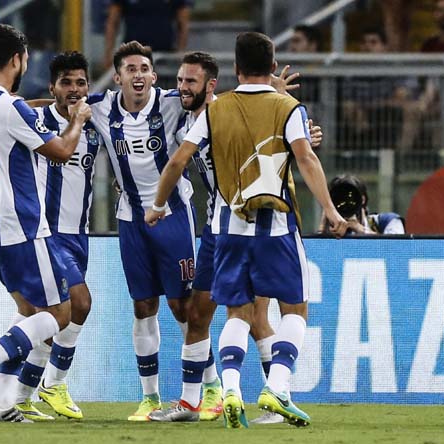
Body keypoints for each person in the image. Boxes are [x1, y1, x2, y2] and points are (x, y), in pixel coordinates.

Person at [145, 32, 347, 428]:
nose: (183, 88)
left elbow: (176, 162)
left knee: (239, 313)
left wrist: (155, 206)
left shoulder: (214, 112)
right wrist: (331, 210)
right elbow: (304, 157)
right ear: (272, 67)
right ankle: (272, 390)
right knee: (287, 309)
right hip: (273, 226)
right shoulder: (288, 108)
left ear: (232, 70)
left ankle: (233, 389)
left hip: (226, 227)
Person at [0, 24, 92, 422]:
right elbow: (61, 151)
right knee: (59, 314)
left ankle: (2, 404)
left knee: (28, 313)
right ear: (17, 59)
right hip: (23, 224)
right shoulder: (11, 108)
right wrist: (77, 120)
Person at [87, 40, 198, 421]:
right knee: (143, 306)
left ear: (154, 75)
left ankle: (208, 389)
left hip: (174, 215)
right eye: (130, 69)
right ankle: (150, 398)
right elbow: (54, 107)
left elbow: (213, 106)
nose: (138, 75)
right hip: (130, 219)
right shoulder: (101, 107)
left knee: (183, 306)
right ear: (117, 77)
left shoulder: (171, 103)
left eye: (144, 69)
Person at [0, 51, 100, 422]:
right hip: (45, 233)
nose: (74, 89)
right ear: (52, 87)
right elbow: (13, 104)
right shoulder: (36, 119)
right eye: (65, 82)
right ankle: (54, 383)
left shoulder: (95, 122)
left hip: (78, 234)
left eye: (80, 83)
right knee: (78, 304)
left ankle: (16, 397)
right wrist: (50, 104)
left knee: (45, 317)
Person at [103, 0, 192, 69]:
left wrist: (180, 52)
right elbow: (112, 23)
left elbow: (183, 24)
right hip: (133, 54)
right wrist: (108, 54)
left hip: (164, 56)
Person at [319, 174, 405, 235]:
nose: (345, 204)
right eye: (338, 200)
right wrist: (323, 229)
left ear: (362, 199)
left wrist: (361, 230)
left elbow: (398, 249)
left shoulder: (387, 221)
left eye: (350, 198)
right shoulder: (332, 233)